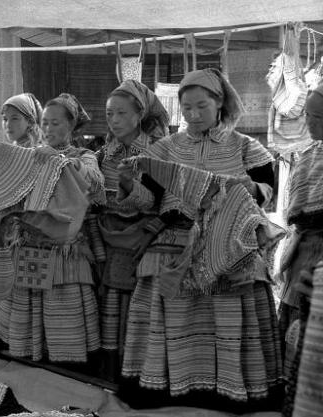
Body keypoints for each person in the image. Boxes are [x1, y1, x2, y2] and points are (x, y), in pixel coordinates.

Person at [119, 68, 283, 412]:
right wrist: (130, 187)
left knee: (227, 314)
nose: (193, 116)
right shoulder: (165, 148)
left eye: (201, 107)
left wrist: (246, 188)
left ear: (220, 103)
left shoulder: (247, 147)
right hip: (175, 241)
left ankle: (229, 388)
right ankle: (171, 384)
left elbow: (269, 195)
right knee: (176, 315)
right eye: (186, 108)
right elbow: (150, 202)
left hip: (231, 243)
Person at [0, 93, 104, 363]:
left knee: (62, 319)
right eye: (45, 123)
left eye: (56, 123)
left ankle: (66, 372)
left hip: (63, 252)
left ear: (72, 126)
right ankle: (35, 367)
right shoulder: (29, 155)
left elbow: (93, 183)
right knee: (33, 314)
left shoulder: (85, 156)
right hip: (31, 247)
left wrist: (59, 160)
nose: (48, 129)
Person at [95, 80, 168, 376]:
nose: (114, 120)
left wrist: (127, 184)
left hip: (142, 240)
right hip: (109, 238)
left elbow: (157, 201)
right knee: (110, 304)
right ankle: (109, 370)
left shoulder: (157, 152)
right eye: (110, 114)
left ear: (139, 115)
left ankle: (135, 371)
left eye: (122, 114)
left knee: (136, 307)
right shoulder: (103, 154)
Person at [278, 83, 323, 416]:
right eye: (309, 115)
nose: (310, 122)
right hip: (303, 257)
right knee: (295, 340)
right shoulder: (308, 155)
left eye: (318, 116)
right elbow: (295, 213)